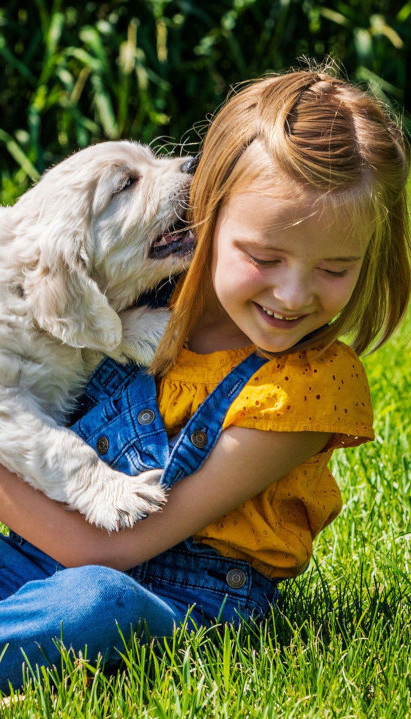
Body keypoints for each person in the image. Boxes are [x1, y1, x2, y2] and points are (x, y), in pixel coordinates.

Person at [0, 67, 410, 694]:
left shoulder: (300, 390)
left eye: (335, 268)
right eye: (265, 258)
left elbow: (107, 553)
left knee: (97, 602)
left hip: (162, 599)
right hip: (30, 557)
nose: (292, 294)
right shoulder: (132, 299)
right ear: (205, 212)